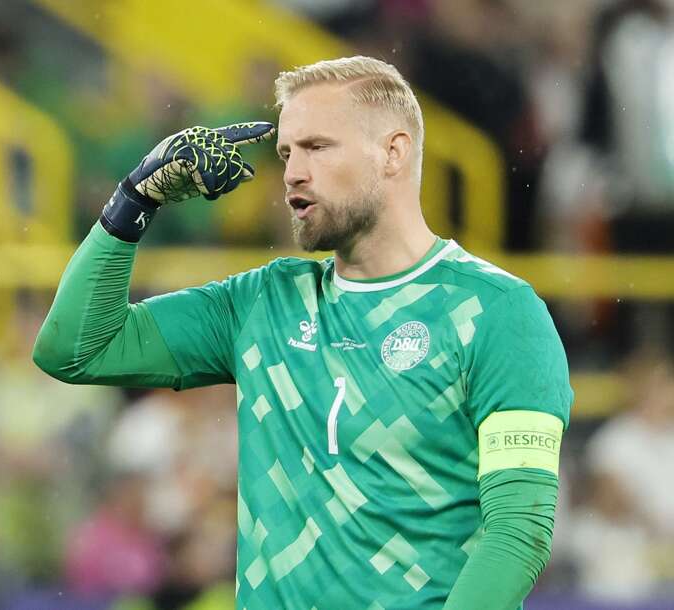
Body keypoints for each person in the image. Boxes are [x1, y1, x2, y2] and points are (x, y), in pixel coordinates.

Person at [34, 56, 573, 610]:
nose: (292, 172)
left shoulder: (497, 312)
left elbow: (518, 533)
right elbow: (75, 349)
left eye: (317, 147)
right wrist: (134, 201)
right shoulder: (261, 303)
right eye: (286, 153)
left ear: (393, 152)